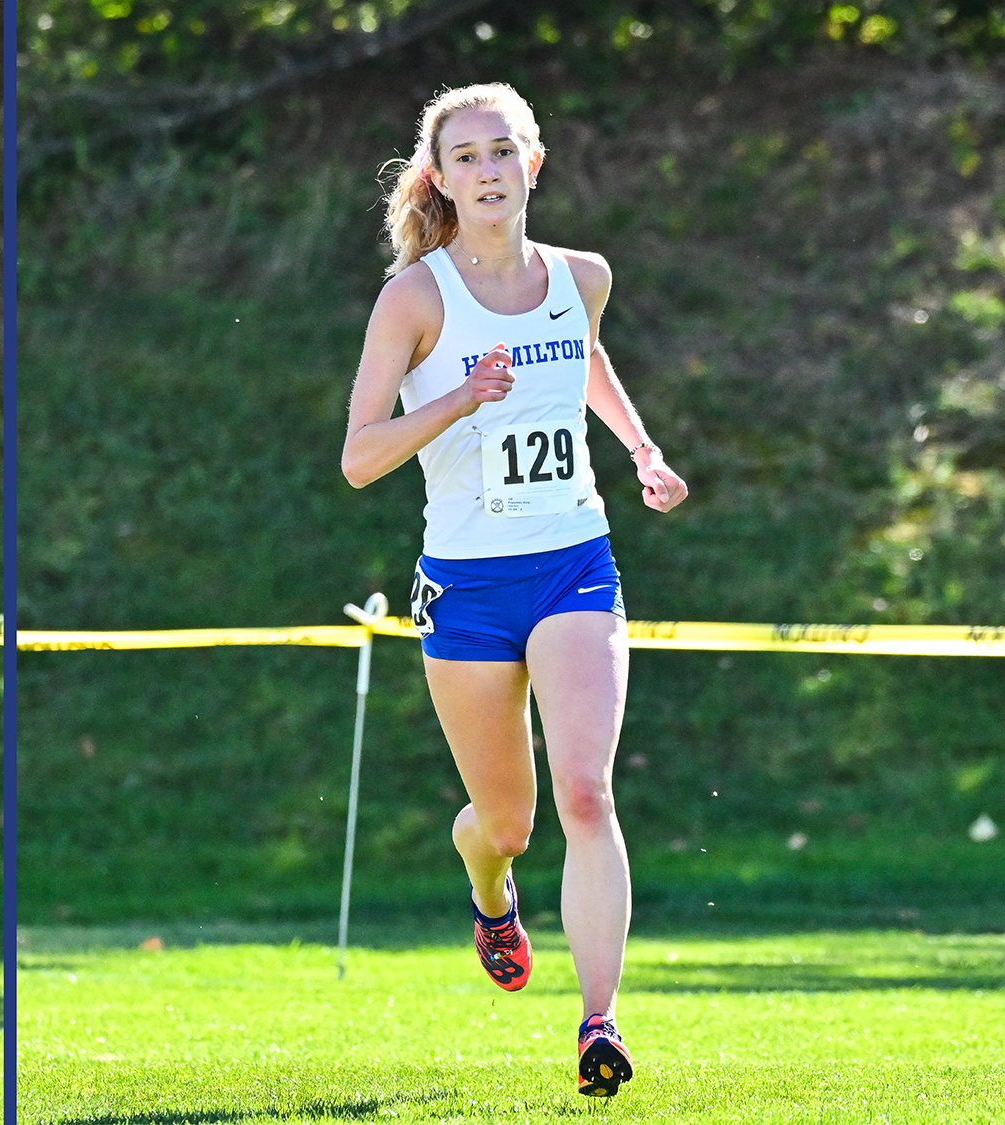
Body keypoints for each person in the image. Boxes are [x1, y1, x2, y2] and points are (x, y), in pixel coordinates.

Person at [340, 83, 688, 1099]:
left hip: (573, 562)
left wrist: (639, 450)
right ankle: (489, 890)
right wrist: (458, 397)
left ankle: (597, 1024)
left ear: (530, 165)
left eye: (503, 151)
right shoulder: (413, 298)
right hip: (465, 586)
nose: (487, 170)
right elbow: (360, 458)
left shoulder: (580, 277)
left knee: (586, 793)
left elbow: (581, 361)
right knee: (507, 824)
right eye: (466, 157)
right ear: (439, 180)